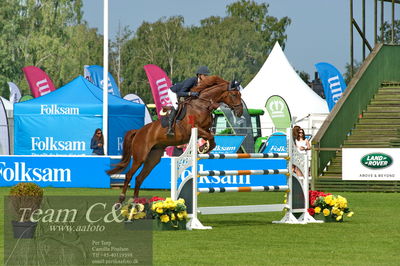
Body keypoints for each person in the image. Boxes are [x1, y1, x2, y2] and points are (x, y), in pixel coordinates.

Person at [166, 66, 211, 136]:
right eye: (205, 75)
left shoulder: (202, 83)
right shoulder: (192, 80)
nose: (206, 77)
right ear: (199, 75)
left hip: (183, 94)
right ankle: (170, 128)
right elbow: (180, 93)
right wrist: (190, 93)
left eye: (207, 75)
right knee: (176, 106)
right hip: (174, 92)